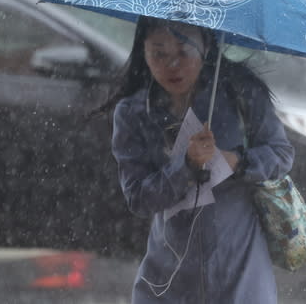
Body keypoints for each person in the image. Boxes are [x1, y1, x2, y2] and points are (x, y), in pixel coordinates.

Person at [104, 16, 294, 304]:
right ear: (143, 53)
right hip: (168, 279)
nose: (172, 65)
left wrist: (236, 161)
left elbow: (281, 154)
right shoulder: (133, 113)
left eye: (184, 51)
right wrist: (186, 167)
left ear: (206, 47)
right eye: (159, 53)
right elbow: (139, 198)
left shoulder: (239, 92)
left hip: (239, 270)